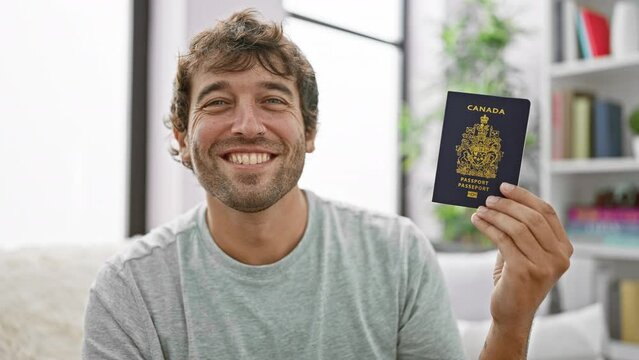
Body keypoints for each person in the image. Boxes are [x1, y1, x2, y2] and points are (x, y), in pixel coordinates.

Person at [82, 9, 573, 360]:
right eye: (216, 102)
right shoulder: (129, 290)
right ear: (182, 136)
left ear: (309, 131)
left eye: (273, 100)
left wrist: (512, 322)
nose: (248, 125)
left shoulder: (397, 254)